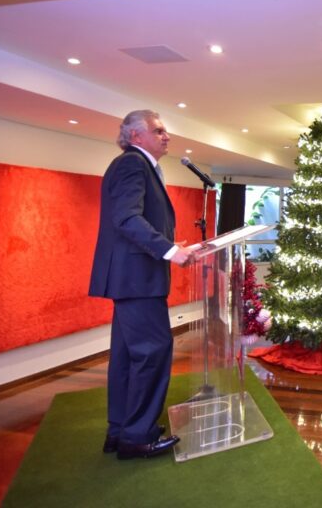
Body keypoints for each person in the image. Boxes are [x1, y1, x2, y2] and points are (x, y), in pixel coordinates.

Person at [89, 110, 194, 459]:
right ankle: (138, 436)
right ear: (136, 136)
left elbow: (136, 219)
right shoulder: (133, 164)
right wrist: (168, 250)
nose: (166, 136)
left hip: (131, 280)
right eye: (159, 130)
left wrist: (176, 247)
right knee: (153, 352)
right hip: (137, 280)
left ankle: (120, 430)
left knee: (125, 358)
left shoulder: (137, 165)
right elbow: (127, 218)